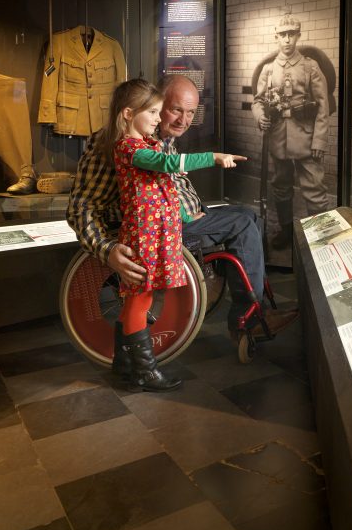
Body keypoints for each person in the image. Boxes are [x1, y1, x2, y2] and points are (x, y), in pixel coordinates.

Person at [67, 74, 296, 375]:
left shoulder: (158, 139)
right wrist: (106, 249)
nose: (184, 120)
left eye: (190, 113)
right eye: (175, 110)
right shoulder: (112, 143)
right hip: (153, 231)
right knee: (242, 223)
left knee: (250, 216)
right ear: (153, 105)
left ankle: (255, 309)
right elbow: (81, 207)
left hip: (182, 219)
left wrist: (192, 212)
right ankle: (249, 321)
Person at [102, 79, 242, 391]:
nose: (157, 118)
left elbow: (165, 192)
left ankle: (124, 365)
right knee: (140, 301)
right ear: (128, 114)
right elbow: (166, 164)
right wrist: (212, 157)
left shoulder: (146, 146)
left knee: (139, 300)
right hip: (143, 237)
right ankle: (145, 372)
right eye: (152, 112)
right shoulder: (129, 148)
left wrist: (185, 216)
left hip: (157, 235)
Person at [252, 13, 330, 248]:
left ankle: (320, 235)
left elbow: (323, 106)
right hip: (278, 138)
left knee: (314, 188)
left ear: (298, 36)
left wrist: (319, 141)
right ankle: (286, 231)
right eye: (282, 35)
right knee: (281, 186)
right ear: (276, 37)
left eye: (291, 34)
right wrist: (260, 117)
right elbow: (258, 100)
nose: (287, 40)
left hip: (306, 138)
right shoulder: (268, 69)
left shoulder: (310, 66)